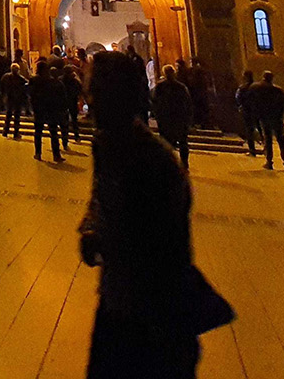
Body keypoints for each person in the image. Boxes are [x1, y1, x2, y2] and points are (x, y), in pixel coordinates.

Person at [80, 51, 226, 378]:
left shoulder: (152, 160)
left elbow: (168, 247)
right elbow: (100, 202)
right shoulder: (106, 147)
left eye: (98, 93)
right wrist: (93, 230)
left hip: (153, 313)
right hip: (118, 302)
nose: (91, 101)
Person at [151, 64, 194, 170]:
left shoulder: (160, 87)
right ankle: (184, 164)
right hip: (179, 117)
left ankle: (170, 164)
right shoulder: (181, 87)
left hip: (166, 118)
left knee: (167, 143)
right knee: (183, 142)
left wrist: (157, 115)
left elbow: (154, 101)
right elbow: (188, 102)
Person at [251, 71, 284, 172]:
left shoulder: (257, 88)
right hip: (277, 118)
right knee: (281, 140)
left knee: (268, 139)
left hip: (264, 117)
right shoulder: (278, 90)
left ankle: (269, 161)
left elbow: (253, 102)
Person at [29, 59, 66, 162]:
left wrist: (33, 105)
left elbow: (30, 93)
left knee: (38, 132)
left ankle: (38, 153)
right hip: (51, 109)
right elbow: (60, 95)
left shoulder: (34, 80)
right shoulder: (53, 81)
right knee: (54, 132)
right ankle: (56, 155)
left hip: (39, 109)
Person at [0, 61, 29, 139]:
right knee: (16, 117)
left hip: (9, 98)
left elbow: (1, 87)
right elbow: (26, 88)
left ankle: (5, 131)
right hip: (17, 99)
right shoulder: (21, 79)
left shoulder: (5, 77)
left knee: (8, 116)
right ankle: (16, 133)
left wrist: (3, 95)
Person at [236, 71, 258, 157]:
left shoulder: (243, 87)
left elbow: (238, 97)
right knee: (259, 128)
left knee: (249, 130)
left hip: (247, 111)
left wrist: (241, 106)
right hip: (256, 110)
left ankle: (252, 150)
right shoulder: (256, 87)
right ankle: (265, 146)